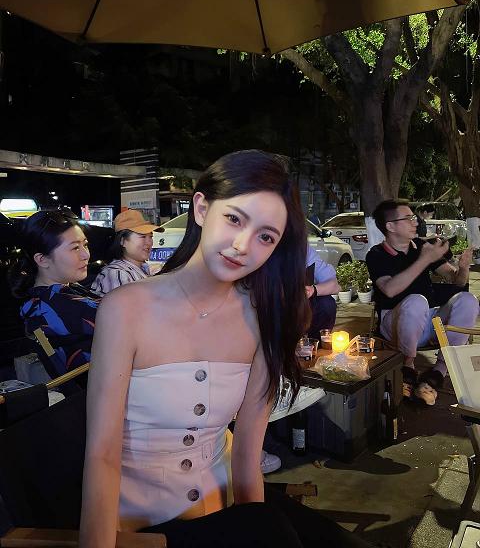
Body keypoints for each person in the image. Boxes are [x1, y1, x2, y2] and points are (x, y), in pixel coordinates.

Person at [80, 150, 375, 548]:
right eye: (234, 219)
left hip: (227, 509)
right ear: (202, 208)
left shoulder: (262, 316)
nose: (242, 245)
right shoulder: (126, 308)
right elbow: (101, 454)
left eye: (265, 237)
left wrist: (254, 525)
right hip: (142, 527)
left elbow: (247, 456)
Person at [366, 199, 479, 405]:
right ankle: (408, 368)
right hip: (394, 324)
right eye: (408, 218)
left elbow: (456, 281)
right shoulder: (376, 254)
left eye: (414, 217)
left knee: (468, 300)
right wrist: (425, 259)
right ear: (390, 226)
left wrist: (463, 268)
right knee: (416, 301)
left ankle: (439, 372)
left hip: (428, 320)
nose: (415, 222)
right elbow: (389, 289)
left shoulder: (421, 247)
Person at [8, 210, 100, 372]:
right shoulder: (59, 305)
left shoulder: (44, 297)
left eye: (85, 245)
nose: (86, 254)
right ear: (42, 259)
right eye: (75, 248)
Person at [90, 209, 162, 296]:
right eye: (143, 236)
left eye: (150, 236)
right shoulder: (117, 274)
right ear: (123, 241)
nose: (149, 242)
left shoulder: (142, 269)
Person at [305, 245, 340, 334]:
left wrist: (312, 290)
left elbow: (335, 285)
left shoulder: (305, 251)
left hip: (300, 302)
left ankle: (316, 341)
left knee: (326, 303)